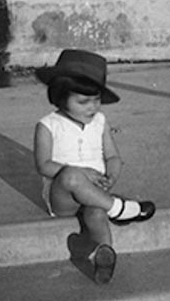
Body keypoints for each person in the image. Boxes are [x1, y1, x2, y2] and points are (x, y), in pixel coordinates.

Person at [34, 49, 156, 284]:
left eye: (97, 100)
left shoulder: (100, 122)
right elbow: (43, 165)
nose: (92, 107)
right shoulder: (48, 125)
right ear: (60, 96)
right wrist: (82, 174)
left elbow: (112, 156)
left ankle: (105, 254)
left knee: (96, 213)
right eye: (83, 101)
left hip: (96, 194)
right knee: (71, 175)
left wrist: (110, 176)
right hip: (63, 196)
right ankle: (119, 209)